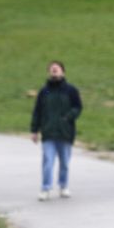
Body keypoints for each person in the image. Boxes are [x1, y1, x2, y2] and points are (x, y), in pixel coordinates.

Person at [30, 60, 83, 201]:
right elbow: (37, 111)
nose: (54, 70)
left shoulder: (70, 90)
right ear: (49, 72)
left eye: (57, 68)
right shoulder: (45, 91)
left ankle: (63, 186)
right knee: (48, 161)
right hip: (48, 133)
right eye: (52, 69)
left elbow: (78, 107)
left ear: (62, 71)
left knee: (64, 162)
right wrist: (34, 130)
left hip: (65, 133)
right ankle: (45, 188)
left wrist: (68, 117)